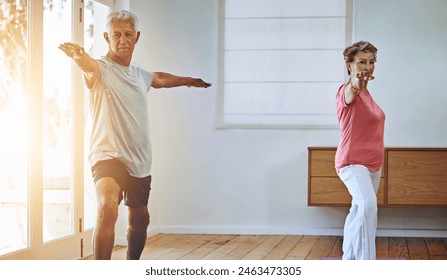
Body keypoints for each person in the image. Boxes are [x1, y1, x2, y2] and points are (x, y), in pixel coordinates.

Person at [59, 10, 211, 260]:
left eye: (128, 34)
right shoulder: (101, 69)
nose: (123, 40)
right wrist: (80, 57)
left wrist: (188, 80)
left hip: (139, 161)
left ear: (136, 37)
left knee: (140, 221)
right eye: (116, 34)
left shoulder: (139, 74)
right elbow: (88, 67)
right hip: (107, 156)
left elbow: (159, 78)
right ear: (107, 37)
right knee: (107, 207)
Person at [334, 41, 385, 260]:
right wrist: (356, 81)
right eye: (361, 62)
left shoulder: (368, 96)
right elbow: (353, 86)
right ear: (350, 66)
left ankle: (349, 260)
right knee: (367, 206)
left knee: (359, 212)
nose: (367, 66)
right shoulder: (347, 91)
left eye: (371, 61)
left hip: (373, 164)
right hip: (352, 162)